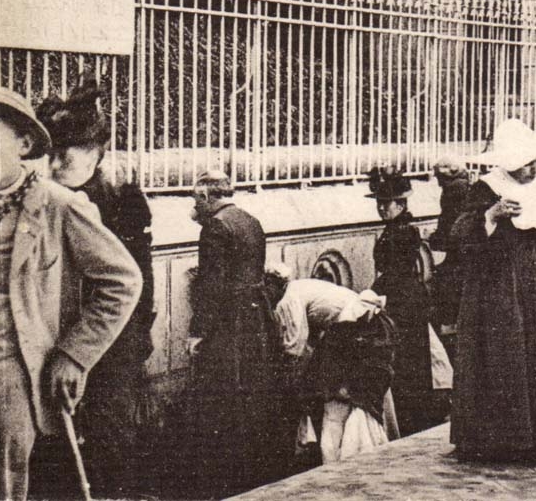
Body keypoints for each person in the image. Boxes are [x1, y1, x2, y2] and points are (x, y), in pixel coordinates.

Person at [0, 85, 142, 501]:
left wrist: (74, 355)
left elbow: (123, 281)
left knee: (2, 488)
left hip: (7, 374)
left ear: (24, 144)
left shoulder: (58, 205)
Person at [32, 82, 156, 497]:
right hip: (53, 343)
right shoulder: (44, 200)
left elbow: (135, 283)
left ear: (94, 152)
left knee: (107, 445)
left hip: (110, 346)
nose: (54, 166)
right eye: (49, 155)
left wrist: (110, 350)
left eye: (66, 155)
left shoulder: (120, 201)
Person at [450, 119, 536, 461]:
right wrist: (492, 215)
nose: (532, 169)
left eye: (535, 161)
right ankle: (499, 433)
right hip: (499, 281)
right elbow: (459, 233)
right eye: (524, 163)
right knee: (505, 349)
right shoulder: (486, 188)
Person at [180, 171, 289, 497]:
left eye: (195, 198)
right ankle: (255, 470)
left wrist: (198, 332)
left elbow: (212, 286)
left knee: (223, 396)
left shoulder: (215, 227)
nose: (193, 205)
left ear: (205, 196)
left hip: (229, 323)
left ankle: (223, 475)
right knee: (253, 393)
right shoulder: (251, 221)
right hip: (256, 320)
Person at [266, 265, 396, 463]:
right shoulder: (300, 287)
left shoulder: (288, 299)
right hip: (365, 327)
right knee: (362, 397)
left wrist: (286, 379)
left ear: (272, 284)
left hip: (353, 331)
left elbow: (295, 347)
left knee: (339, 401)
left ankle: (336, 457)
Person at [368, 166, 449, 436]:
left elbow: (396, 271)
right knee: (410, 357)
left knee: (408, 357)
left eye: (386, 204)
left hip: (403, 300)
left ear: (401, 204)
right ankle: (415, 412)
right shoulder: (397, 228)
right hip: (406, 297)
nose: (382, 209)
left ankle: (413, 414)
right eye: (379, 204)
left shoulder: (401, 232)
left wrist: (377, 291)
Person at [429, 157, 471, 336]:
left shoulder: (452, 191)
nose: (437, 181)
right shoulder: (466, 186)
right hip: (465, 248)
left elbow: (449, 226)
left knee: (444, 280)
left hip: (458, 251)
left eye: (439, 177)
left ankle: (448, 328)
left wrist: (433, 238)